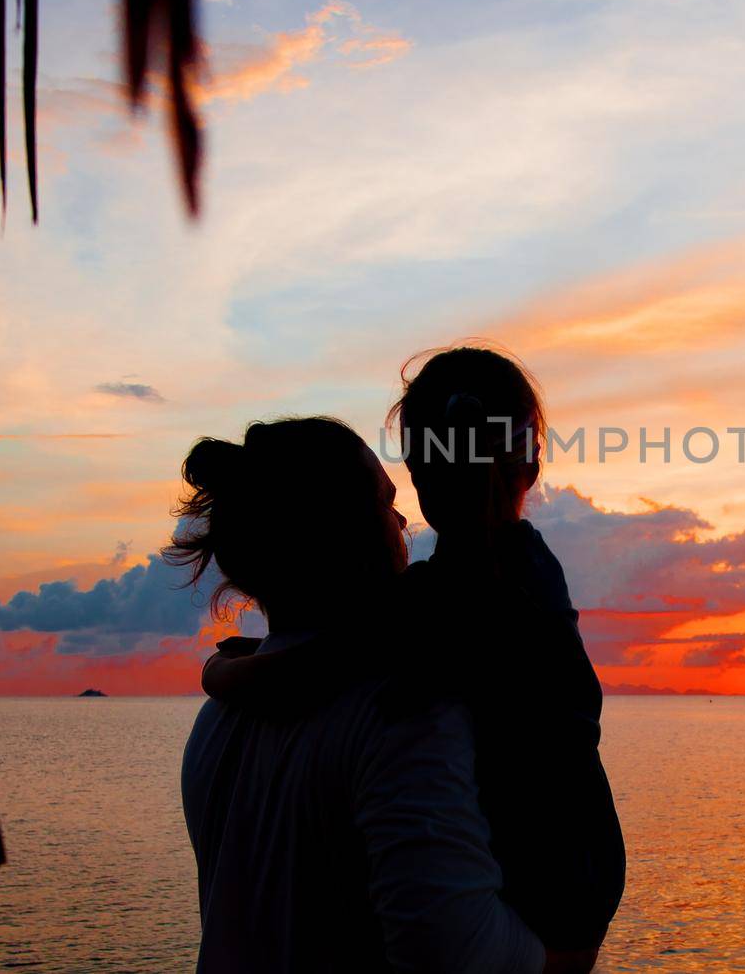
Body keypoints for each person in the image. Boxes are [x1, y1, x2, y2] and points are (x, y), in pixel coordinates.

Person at [204, 346, 626, 960]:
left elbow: (319, 662)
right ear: (530, 465)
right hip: (568, 859)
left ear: (421, 472)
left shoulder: (453, 598)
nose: (399, 518)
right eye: (384, 503)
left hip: (557, 870)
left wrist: (226, 673)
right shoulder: (515, 576)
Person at [174, 417, 551, 973]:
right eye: (385, 502)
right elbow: (455, 955)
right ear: (342, 531)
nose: (402, 522)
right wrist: (560, 957)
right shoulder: (401, 710)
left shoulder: (216, 720)